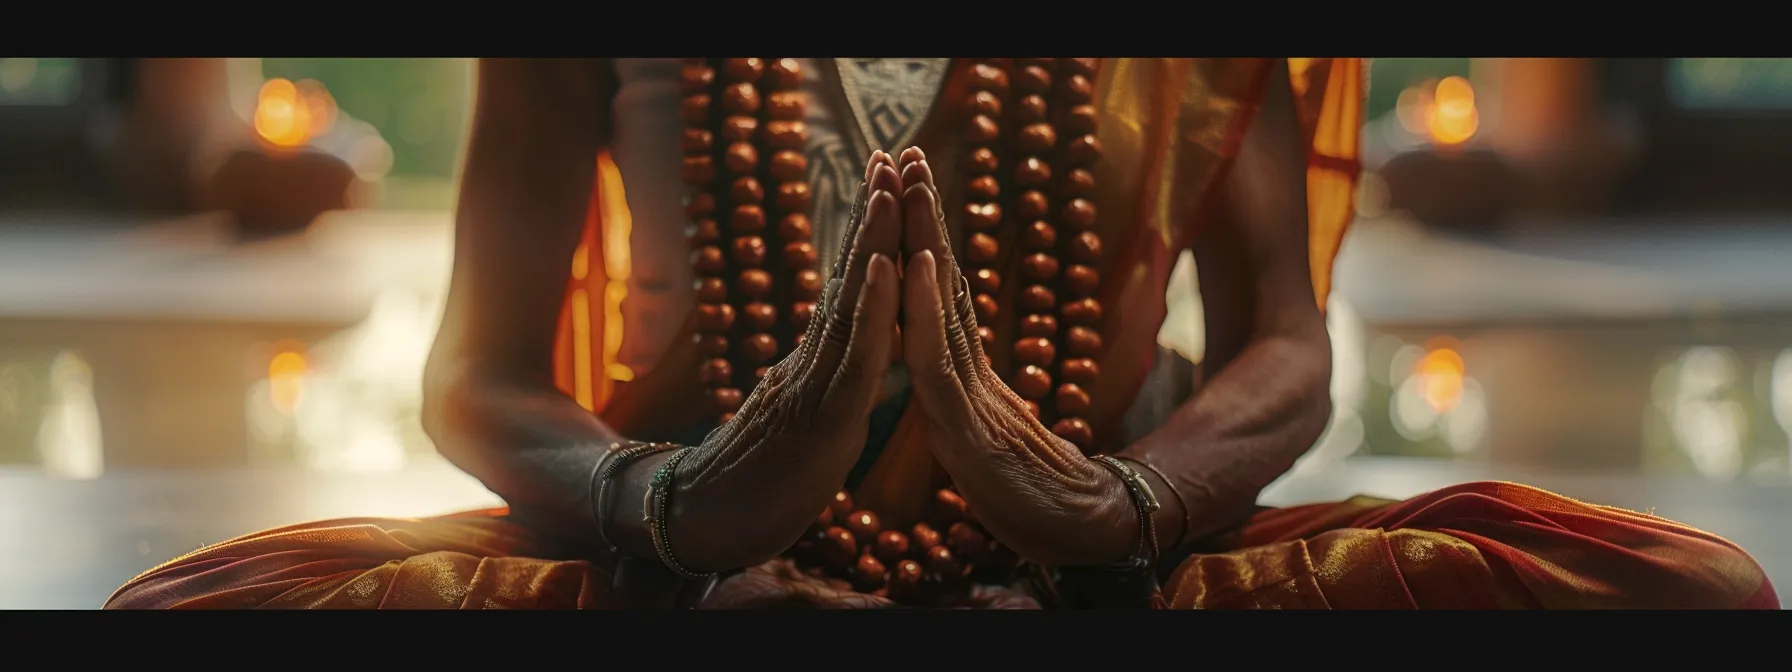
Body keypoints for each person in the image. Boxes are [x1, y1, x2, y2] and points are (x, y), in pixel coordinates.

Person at [106, 58, 1777, 610]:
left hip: (1097, 572)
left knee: (1692, 597)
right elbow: (475, 374)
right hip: (684, 578)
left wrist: (1110, 507)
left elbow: (1283, 346)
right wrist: (675, 506)